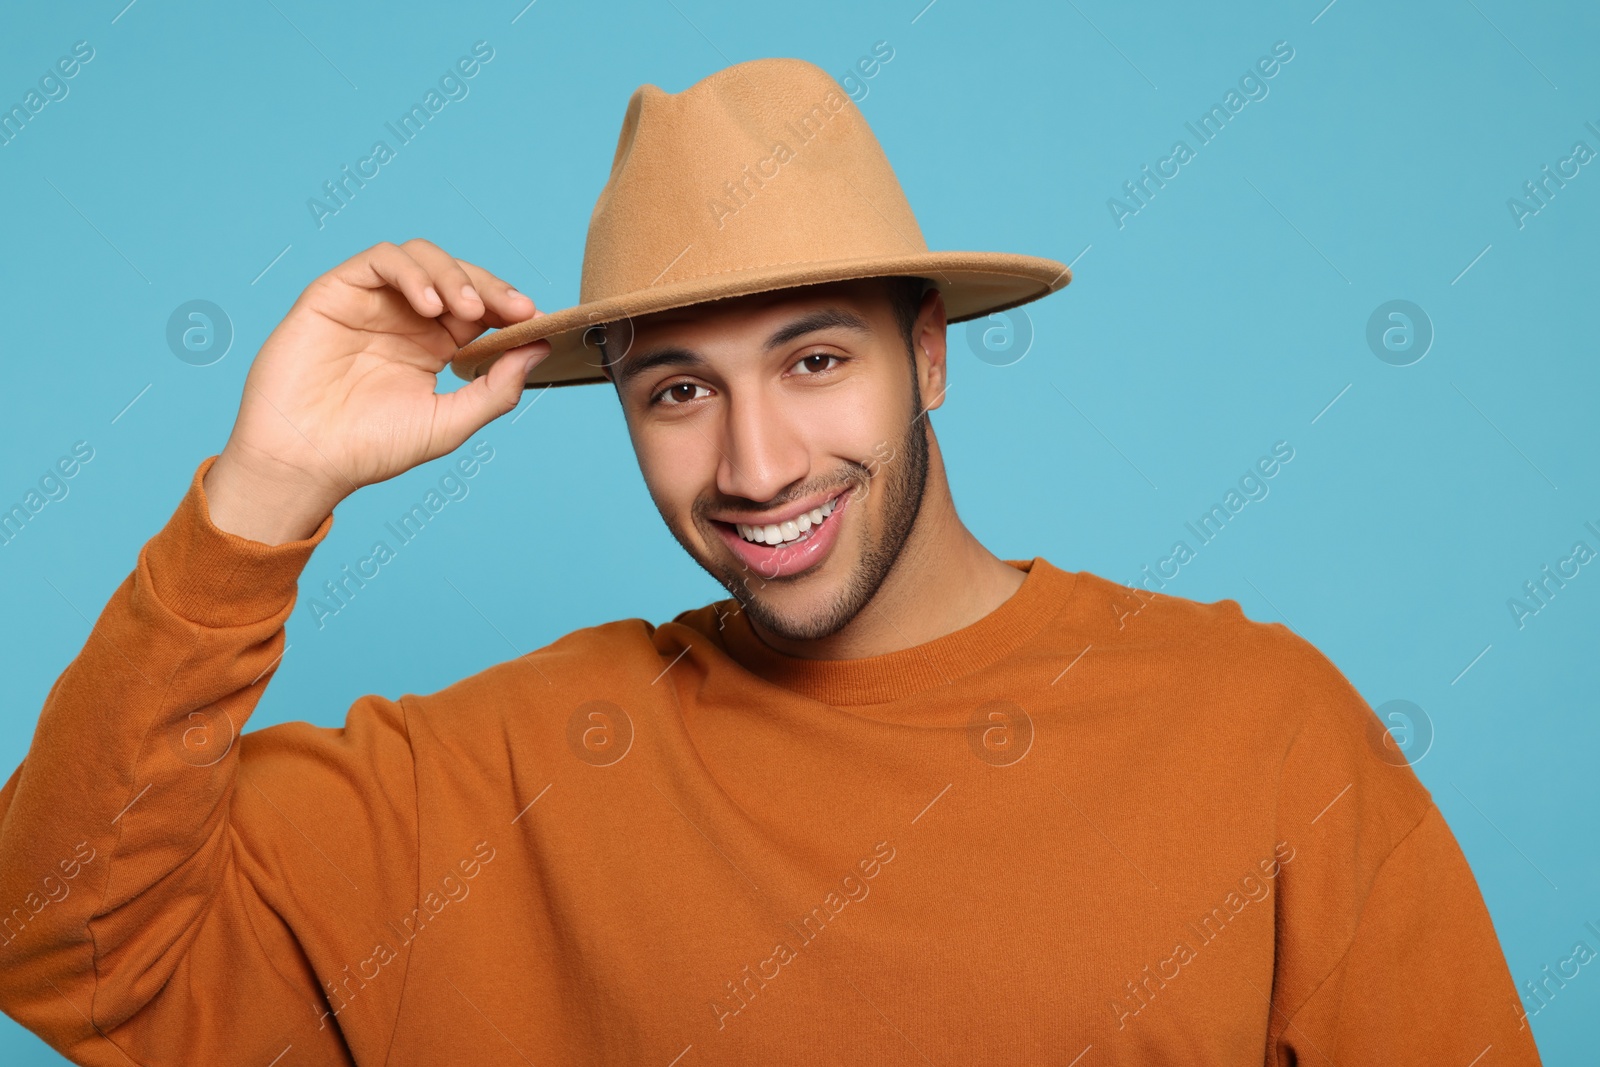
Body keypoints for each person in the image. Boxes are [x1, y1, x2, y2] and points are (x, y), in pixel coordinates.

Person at [0, 58, 1540, 1066]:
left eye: (813, 362)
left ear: (927, 356)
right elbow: (64, 947)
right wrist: (262, 498)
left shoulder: (1257, 729)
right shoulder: (488, 781)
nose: (754, 466)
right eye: (679, 389)